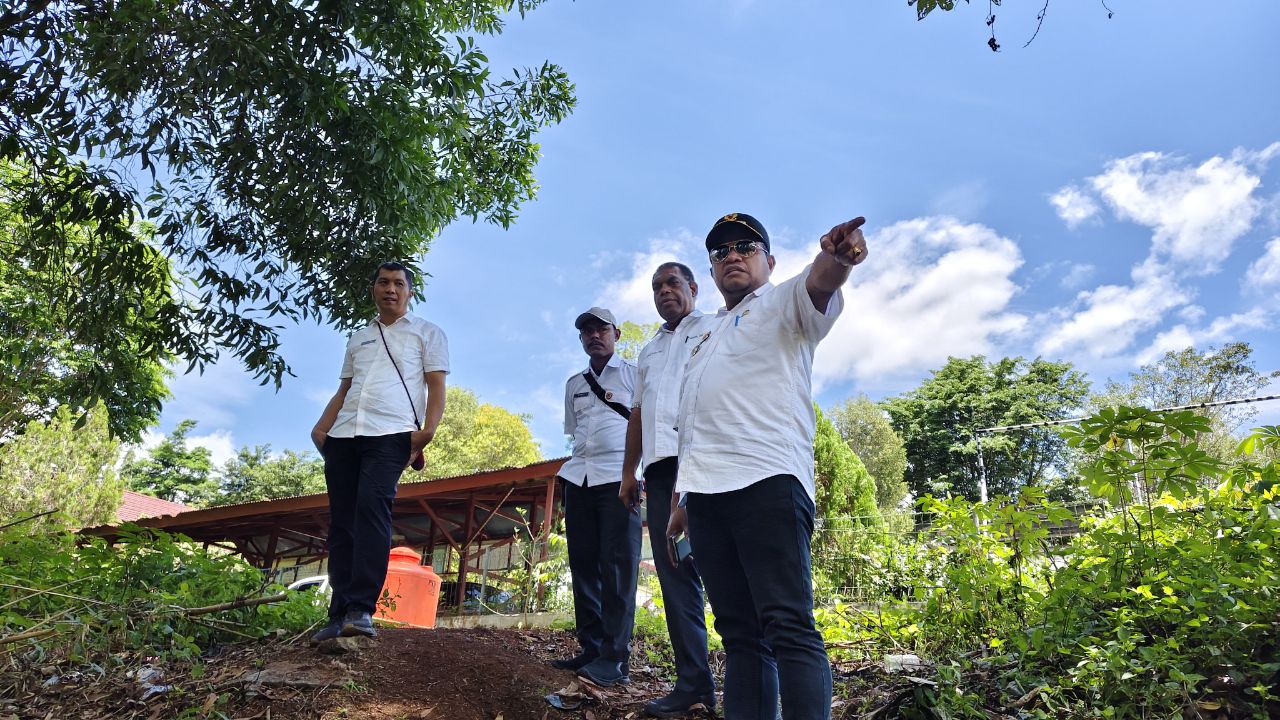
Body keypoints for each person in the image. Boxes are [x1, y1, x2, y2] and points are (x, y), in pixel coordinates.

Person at [675, 213, 867, 719]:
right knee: (739, 633)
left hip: (767, 479)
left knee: (787, 624)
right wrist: (681, 499)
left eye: (746, 246)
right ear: (712, 271)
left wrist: (836, 258)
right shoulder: (704, 335)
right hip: (705, 496)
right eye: (721, 252)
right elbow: (693, 424)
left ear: (770, 260)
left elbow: (821, 282)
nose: (732, 256)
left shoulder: (785, 302)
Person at [308, 261, 449, 642]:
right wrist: (321, 428)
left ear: (409, 292)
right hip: (344, 433)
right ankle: (337, 613)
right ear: (373, 289)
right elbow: (345, 389)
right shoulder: (358, 338)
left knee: (372, 510)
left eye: (399, 284)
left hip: (392, 432)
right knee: (342, 522)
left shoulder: (427, 333)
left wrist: (428, 432)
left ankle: (360, 610)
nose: (391, 289)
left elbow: (436, 386)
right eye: (384, 282)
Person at [618, 262, 717, 718]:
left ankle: (755, 688)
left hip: (706, 465)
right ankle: (693, 684)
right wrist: (628, 472)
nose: (664, 291)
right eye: (656, 286)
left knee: (722, 570)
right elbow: (638, 413)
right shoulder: (649, 351)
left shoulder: (714, 329)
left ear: (694, 288)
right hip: (659, 474)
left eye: (673, 283)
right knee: (675, 577)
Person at [553, 307, 643, 687]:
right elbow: (574, 432)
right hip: (578, 479)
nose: (594, 335)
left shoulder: (635, 374)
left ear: (616, 334)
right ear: (581, 339)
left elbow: (645, 423)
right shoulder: (575, 383)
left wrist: (633, 474)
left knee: (618, 568)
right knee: (584, 566)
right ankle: (591, 648)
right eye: (587, 331)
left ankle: (615, 657)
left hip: (618, 479)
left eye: (601, 329)